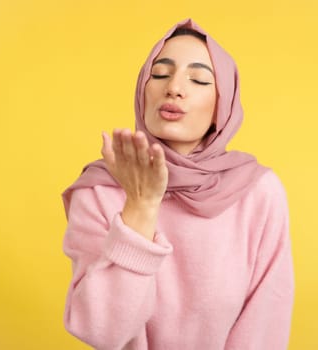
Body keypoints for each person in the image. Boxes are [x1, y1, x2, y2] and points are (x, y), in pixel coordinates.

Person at [61, 18, 294, 350]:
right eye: (159, 74)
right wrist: (140, 207)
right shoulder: (99, 191)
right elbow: (103, 331)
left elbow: (264, 326)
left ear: (222, 105)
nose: (173, 87)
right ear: (143, 89)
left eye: (198, 79)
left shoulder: (258, 192)